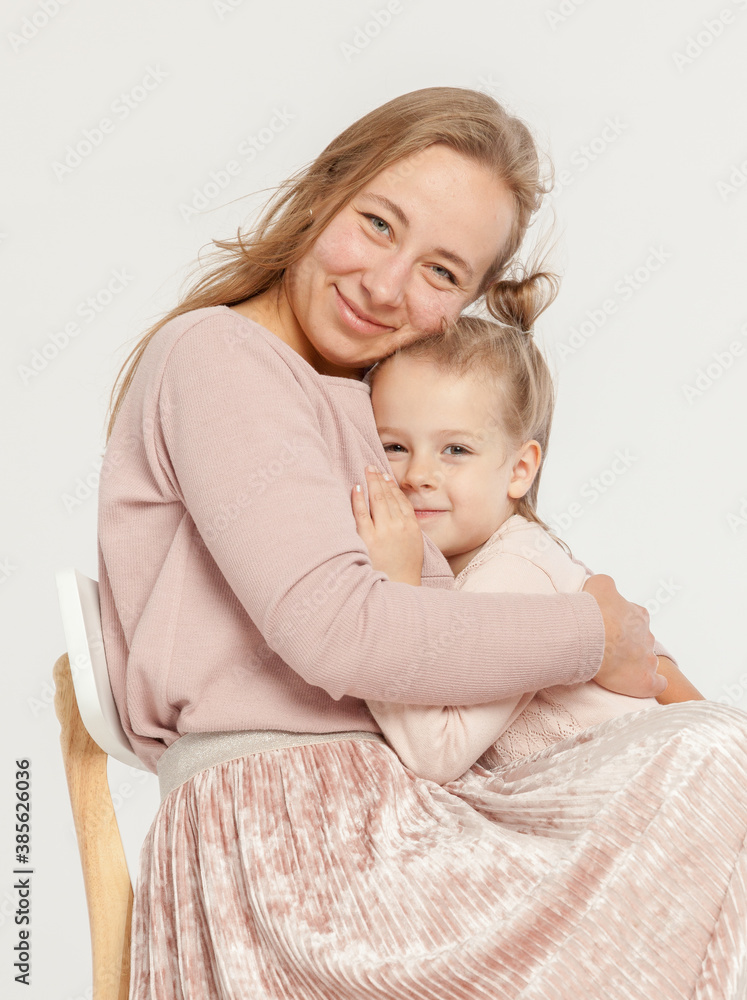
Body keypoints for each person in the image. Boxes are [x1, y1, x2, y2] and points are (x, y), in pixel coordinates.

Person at [97, 87, 747, 998]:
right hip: (297, 847)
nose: (384, 286)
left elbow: (427, 634)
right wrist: (593, 633)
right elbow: (340, 630)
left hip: (384, 817)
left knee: (713, 778)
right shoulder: (220, 355)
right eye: (377, 224)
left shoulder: (361, 403)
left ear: (470, 303)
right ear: (322, 192)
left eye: (441, 272)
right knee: (712, 760)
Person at [356, 312, 705, 784]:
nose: (418, 475)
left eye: (456, 450)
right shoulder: (502, 558)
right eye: (394, 447)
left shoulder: (514, 569)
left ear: (520, 470)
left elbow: (436, 754)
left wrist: (394, 588)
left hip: (651, 791)